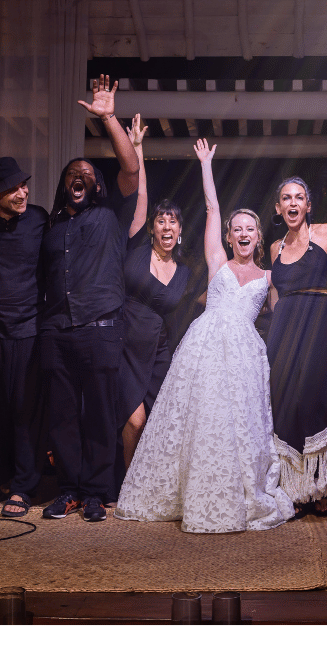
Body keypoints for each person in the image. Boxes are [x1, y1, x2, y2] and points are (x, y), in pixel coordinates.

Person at [115, 139, 293, 533]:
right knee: (202, 419)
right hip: (206, 347)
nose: (243, 233)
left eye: (250, 229)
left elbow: (284, 311)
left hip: (246, 353)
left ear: (258, 238)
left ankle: (237, 489)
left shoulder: (268, 277)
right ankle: (191, 491)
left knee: (238, 423)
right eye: (237, 229)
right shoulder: (217, 261)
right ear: (228, 237)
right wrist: (206, 165)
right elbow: (212, 207)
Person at [38, 76, 139, 523]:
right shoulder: (52, 225)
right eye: (71, 174)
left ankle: (98, 491)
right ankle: (71, 489)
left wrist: (108, 118)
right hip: (57, 331)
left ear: (96, 185)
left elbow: (131, 169)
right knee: (61, 417)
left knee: (100, 414)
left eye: (87, 174)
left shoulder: (110, 215)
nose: (79, 177)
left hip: (101, 328)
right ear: (65, 186)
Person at [0, 156, 49, 518]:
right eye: (14, 188)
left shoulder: (38, 218)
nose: (23, 192)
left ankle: (22, 486)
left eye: (24, 185)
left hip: (27, 329)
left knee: (23, 412)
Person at [117, 117, 194, 469]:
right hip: (122, 345)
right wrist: (138, 148)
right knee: (135, 421)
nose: (166, 225)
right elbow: (140, 198)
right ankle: (126, 482)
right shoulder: (137, 250)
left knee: (159, 423)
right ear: (152, 228)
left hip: (157, 352)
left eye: (173, 221)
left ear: (180, 232)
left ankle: (149, 481)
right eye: (161, 220)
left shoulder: (185, 272)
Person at [267, 176, 327, 515]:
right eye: (287, 198)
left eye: (300, 197)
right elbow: (273, 301)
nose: (293, 203)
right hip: (283, 332)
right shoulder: (275, 248)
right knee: (286, 404)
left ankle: (321, 485)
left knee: (314, 398)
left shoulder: (326, 232)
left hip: (319, 326)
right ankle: (296, 488)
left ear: (308, 205)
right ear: (279, 207)